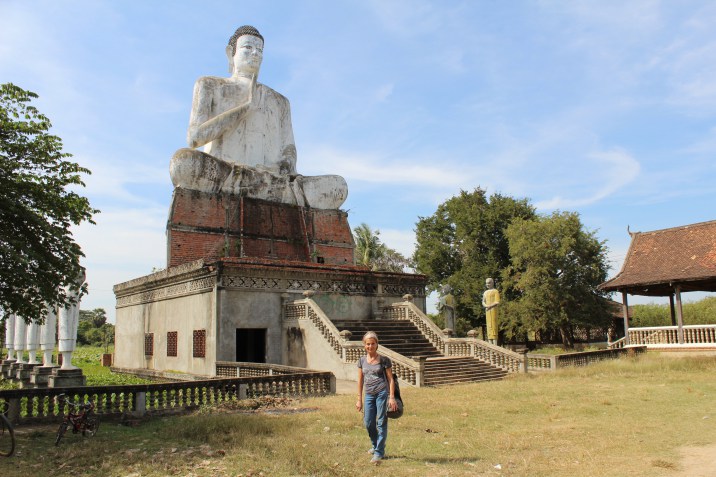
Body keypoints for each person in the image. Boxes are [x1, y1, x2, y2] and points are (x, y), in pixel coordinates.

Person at [170, 25, 348, 210]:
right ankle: (258, 188)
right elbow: (194, 138)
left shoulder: (280, 101)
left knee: (337, 186)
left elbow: (289, 148)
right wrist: (245, 108)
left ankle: (263, 188)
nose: (255, 53)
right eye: (248, 47)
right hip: (227, 173)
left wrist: (286, 167)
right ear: (231, 52)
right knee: (183, 162)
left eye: (260, 50)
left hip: (272, 181)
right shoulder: (210, 85)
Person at [356, 331, 398, 465]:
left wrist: (391, 397)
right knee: (368, 422)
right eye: (368, 344)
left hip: (382, 394)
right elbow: (360, 380)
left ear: (377, 344)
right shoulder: (362, 361)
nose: (370, 346)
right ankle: (375, 446)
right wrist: (359, 399)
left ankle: (379, 452)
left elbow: (391, 380)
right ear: (364, 345)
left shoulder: (384, 360)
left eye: (373, 343)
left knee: (381, 422)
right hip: (368, 394)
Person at [482, 278, 501, 344]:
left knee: (493, 325)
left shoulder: (495, 291)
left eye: (489, 283)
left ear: (492, 283)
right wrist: (486, 306)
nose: (488, 284)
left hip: (493, 310)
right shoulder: (485, 292)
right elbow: (483, 301)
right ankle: (490, 342)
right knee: (489, 326)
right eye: (486, 283)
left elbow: (497, 302)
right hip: (487, 311)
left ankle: (495, 343)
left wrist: (489, 306)